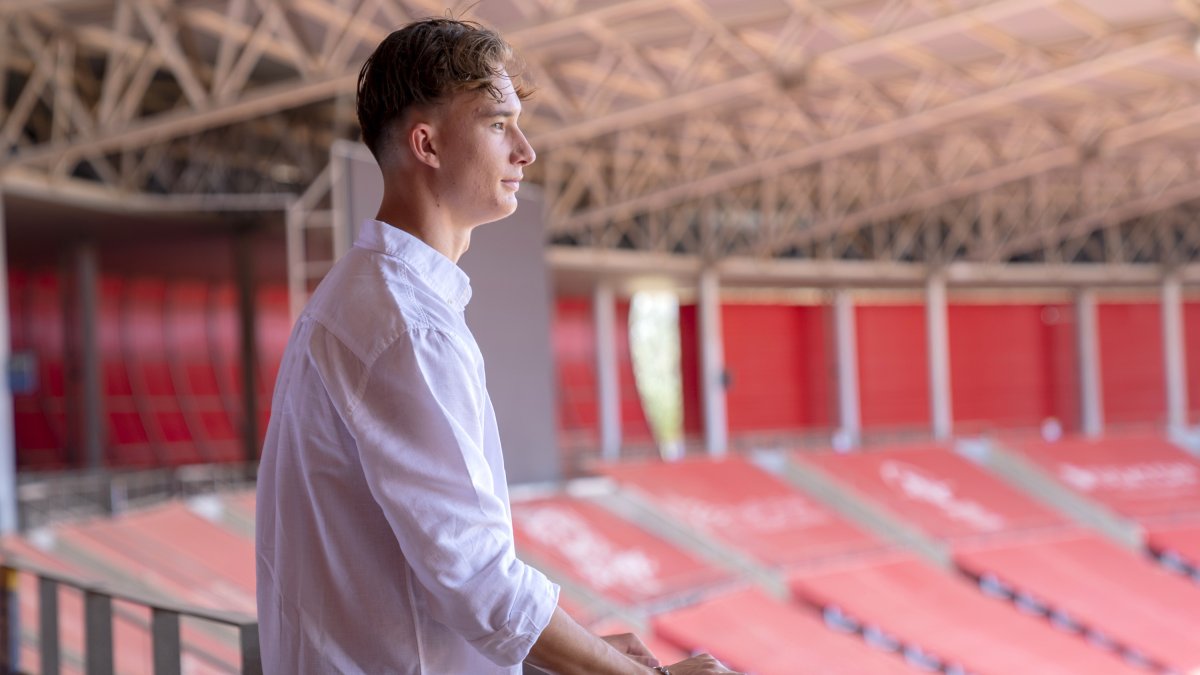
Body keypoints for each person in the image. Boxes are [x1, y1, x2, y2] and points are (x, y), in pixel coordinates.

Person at [255, 16, 740, 675]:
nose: (526, 151)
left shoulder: (370, 297)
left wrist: (590, 655)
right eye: (497, 124)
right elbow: (478, 581)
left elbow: (428, 578)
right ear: (427, 144)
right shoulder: (406, 326)